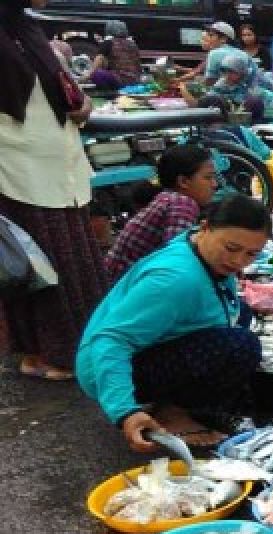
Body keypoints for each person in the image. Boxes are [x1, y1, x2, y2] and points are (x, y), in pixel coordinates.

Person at [77, 195, 270, 451]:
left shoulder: (197, 246)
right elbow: (112, 340)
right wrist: (125, 411)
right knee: (240, 346)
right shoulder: (175, 280)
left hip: (146, 349)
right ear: (205, 228)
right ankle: (172, 414)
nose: (238, 261)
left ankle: (178, 403)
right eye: (231, 248)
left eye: (251, 254)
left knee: (241, 314)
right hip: (104, 366)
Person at [0, 0, 108, 382]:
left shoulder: (24, 25)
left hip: (58, 159)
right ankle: (43, 353)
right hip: (16, 164)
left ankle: (75, 347)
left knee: (71, 257)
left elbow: (59, 87)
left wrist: (83, 103)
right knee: (35, 263)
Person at [102, 146, 217, 278]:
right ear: (183, 182)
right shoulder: (182, 203)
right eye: (208, 178)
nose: (214, 184)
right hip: (125, 284)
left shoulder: (167, 198)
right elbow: (180, 257)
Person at [178, 22, 241, 86]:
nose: (208, 39)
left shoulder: (216, 53)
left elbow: (209, 82)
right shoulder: (238, 52)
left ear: (223, 39)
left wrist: (185, 85)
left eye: (211, 35)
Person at [85, 21, 142, 90]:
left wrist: (85, 77)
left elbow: (97, 63)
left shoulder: (108, 43)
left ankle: (108, 92)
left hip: (120, 80)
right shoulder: (133, 44)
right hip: (135, 80)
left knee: (97, 74)